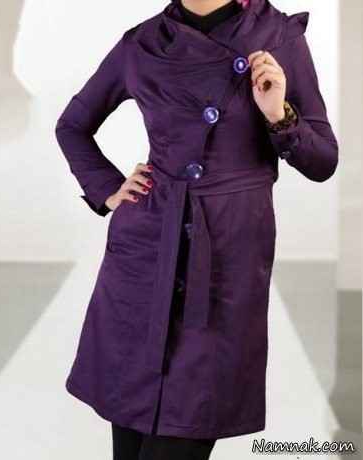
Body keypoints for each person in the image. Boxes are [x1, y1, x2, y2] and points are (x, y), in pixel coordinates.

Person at [55, 0, 339, 459]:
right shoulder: (143, 43)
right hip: (143, 257)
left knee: (188, 422)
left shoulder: (277, 37)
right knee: (129, 437)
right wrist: (108, 189)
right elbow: (72, 125)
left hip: (226, 258)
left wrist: (278, 113)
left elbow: (323, 161)